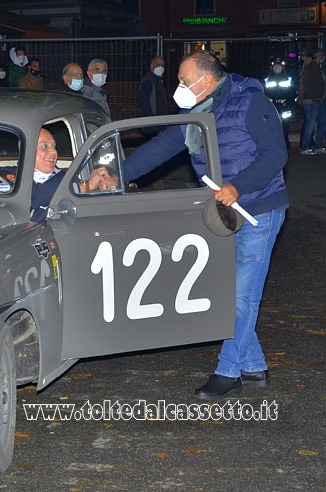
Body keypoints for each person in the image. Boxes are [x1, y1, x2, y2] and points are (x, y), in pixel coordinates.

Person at [122, 51, 288, 400]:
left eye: (183, 81)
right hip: (224, 214)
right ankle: (254, 365)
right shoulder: (194, 112)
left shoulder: (249, 102)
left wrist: (239, 184)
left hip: (259, 210)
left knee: (242, 296)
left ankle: (228, 372)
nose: (178, 88)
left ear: (207, 80)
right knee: (230, 292)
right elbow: (163, 147)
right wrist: (117, 173)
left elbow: (276, 154)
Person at [0, 129, 115, 224]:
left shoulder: (66, 178)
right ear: (26, 151)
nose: (53, 152)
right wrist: (85, 186)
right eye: (44, 147)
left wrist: (104, 184)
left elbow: (80, 211)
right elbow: (32, 195)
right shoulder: (5, 175)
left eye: (54, 146)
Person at [298, 49, 326, 155]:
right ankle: (304, 147)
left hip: (318, 100)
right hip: (311, 101)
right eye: (322, 55)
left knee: (322, 123)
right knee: (310, 124)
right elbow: (307, 85)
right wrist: (314, 97)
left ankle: (319, 146)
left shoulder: (317, 69)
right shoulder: (311, 69)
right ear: (318, 56)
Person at [264, 58, 297, 148]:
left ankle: (285, 146)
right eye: (275, 66)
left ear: (283, 67)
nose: (277, 67)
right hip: (271, 106)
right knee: (271, 127)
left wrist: (288, 103)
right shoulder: (267, 79)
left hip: (284, 107)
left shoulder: (289, 79)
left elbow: (293, 93)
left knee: (284, 127)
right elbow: (264, 93)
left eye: (279, 66)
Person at [139, 56, 167, 139]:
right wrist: (152, 124)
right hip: (152, 126)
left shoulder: (157, 81)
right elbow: (145, 104)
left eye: (162, 65)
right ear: (152, 66)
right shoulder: (148, 81)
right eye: (158, 65)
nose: (160, 67)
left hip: (157, 124)